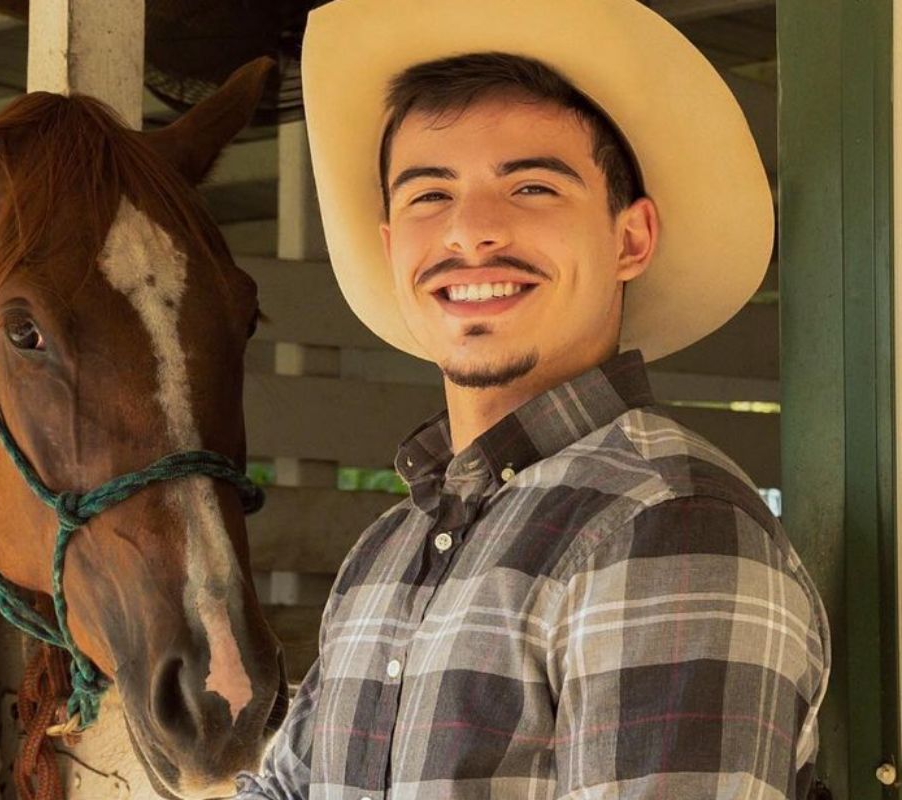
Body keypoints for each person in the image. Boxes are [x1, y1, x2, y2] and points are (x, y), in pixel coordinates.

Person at [235, 0, 830, 797]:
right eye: (427, 196)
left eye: (532, 187)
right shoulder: (387, 551)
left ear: (630, 239)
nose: (470, 232)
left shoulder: (669, 527)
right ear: (392, 249)